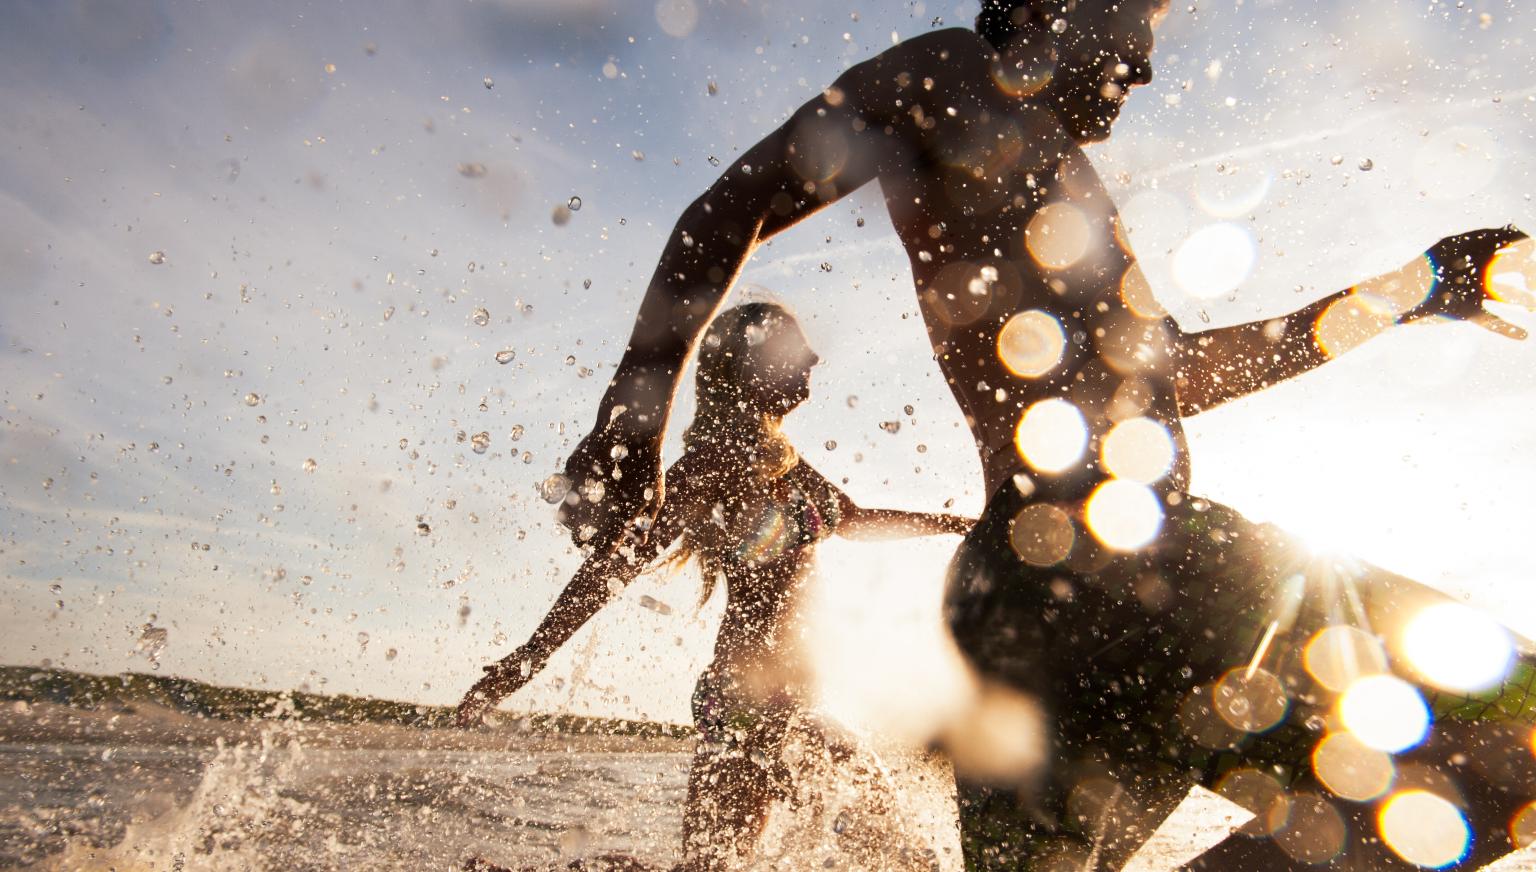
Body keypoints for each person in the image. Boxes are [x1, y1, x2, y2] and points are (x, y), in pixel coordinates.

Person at [554, 0, 1536, 867]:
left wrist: (1408, 292)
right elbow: (729, 205)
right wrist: (632, 414)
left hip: (1049, 599)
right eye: (1131, 20)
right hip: (1117, 571)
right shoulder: (949, 74)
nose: (1146, 67)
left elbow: (1178, 372)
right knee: (1514, 745)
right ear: (1039, 4)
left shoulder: (1067, 191)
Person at [460, 302, 973, 871]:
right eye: (794, 347)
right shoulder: (711, 464)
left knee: (723, 868)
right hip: (748, 702)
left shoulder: (782, 463)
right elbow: (616, 564)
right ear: (748, 369)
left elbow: (854, 520)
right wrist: (529, 656)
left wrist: (959, 525)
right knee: (900, 855)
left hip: (795, 698)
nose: (814, 355)